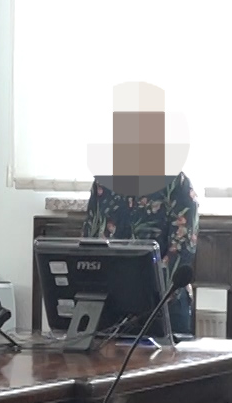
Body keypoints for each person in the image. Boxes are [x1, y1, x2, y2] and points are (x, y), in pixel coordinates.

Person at [82, 82, 200, 335]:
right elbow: (89, 246)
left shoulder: (177, 185)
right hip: (109, 307)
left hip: (162, 307)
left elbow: (180, 258)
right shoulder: (103, 184)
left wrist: (135, 295)